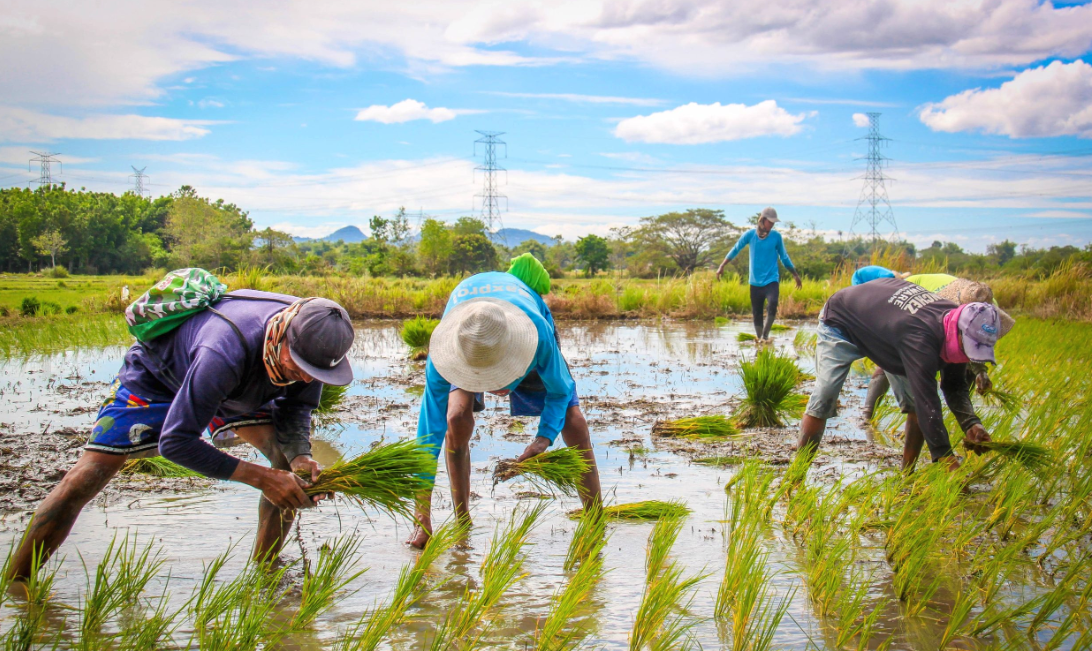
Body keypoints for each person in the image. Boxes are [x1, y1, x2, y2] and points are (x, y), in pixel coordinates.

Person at [6, 291, 355, 581]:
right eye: (299, 368)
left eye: (315, 373)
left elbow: (296, 409)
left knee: (285, 465)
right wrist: (262, 478)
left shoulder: (312, 354)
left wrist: (299, 457)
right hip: (161, 376)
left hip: (240, 384)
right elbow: (175, 442)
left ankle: (264, 574)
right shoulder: (224, 349)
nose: (307, 379)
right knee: (89, 474)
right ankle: (17, 585)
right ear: (281, 335)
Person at [407, 265, 602, 549]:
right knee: (455, 418)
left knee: (573, 420)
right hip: (468, 333)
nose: (494, 385)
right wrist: (420, 516)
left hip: (518, 320)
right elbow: (427, 439)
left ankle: (595, 518)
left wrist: (544, 437)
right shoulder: (443, 353)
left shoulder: (537, 332)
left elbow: (560, 391)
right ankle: (462, 521)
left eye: (501, 372)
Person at [795, 277, 1006, 471]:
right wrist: (946, 458)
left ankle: (907, 476)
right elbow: (929, 403)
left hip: (886, 333)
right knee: (825, 395)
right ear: (959, 331)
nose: (970, 353)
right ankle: (796, 476)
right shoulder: (920, 339)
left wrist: (972, 425)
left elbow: (954, 385)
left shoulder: (955, 327)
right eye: (970, 345)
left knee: (914, 404)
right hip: (843, 319)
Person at [854, 270, 1015, 419]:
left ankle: (964, 420)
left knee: (961, 371)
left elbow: (975, 342)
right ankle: (867, 414)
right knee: (893, 356)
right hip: (908, 298)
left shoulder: (986, 306)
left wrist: (981, 371)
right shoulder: (938, 304)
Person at [716, 207, 802, 342]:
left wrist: (795, 274)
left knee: (773, 303)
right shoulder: (750, 235)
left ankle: (766, 336)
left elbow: (784, 257)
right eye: (770, 221)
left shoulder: (776, 237)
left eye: (774, 222)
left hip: (771, 279)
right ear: (762, 220)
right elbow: (736, 248)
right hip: (755, 282)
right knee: (757, 313)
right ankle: (760, 339)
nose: (772, 224)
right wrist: (722, 265)